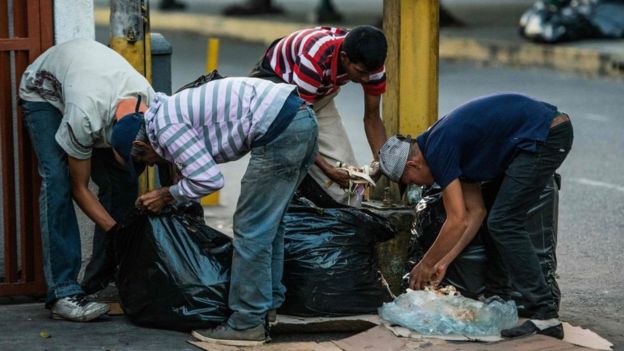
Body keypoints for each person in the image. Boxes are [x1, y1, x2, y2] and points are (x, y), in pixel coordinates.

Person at [120, 77, 318, 346]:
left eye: (146, 161)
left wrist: (167, 195)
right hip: (302, 119)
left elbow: (209, 180)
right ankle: (267, 305)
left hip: (281, 128)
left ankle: (247, 323)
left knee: (251, 229)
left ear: (142, 147)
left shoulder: (166, 127)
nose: (153, 165)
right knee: (271, 225)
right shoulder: (167, 113)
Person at [377, 93, 573, 339]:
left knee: (504, 222)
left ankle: (545, 314)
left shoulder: (439, 147)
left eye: (410, 182)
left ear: (413, 164)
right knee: (495, 218)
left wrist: (425, 265)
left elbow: (456, 219)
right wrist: (443, 261)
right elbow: (475, 213)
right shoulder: (442, 147)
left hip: (547, 134)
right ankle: (499, 297)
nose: (416, 187)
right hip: (536, 136)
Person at [19, 38, 154, 321]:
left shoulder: (151, 104)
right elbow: (79, 189)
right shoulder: (84, 117)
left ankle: (100, 281)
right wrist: (118, 232)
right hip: (43, 93)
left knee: (125, 182)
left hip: (91, 86)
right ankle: (64, 292)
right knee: (57, 181)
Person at [251, 25, 387, 206]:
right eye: (361, 72)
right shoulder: (315, 55)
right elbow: (299, 124)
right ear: (345, 58)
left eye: (370, 74)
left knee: (351, 190)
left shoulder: (373, 66)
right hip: (278, 91)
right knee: (286, 165)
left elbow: (372, 118)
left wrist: (381, 161)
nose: (366, 80)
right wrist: (328, 170)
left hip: (316, 95)